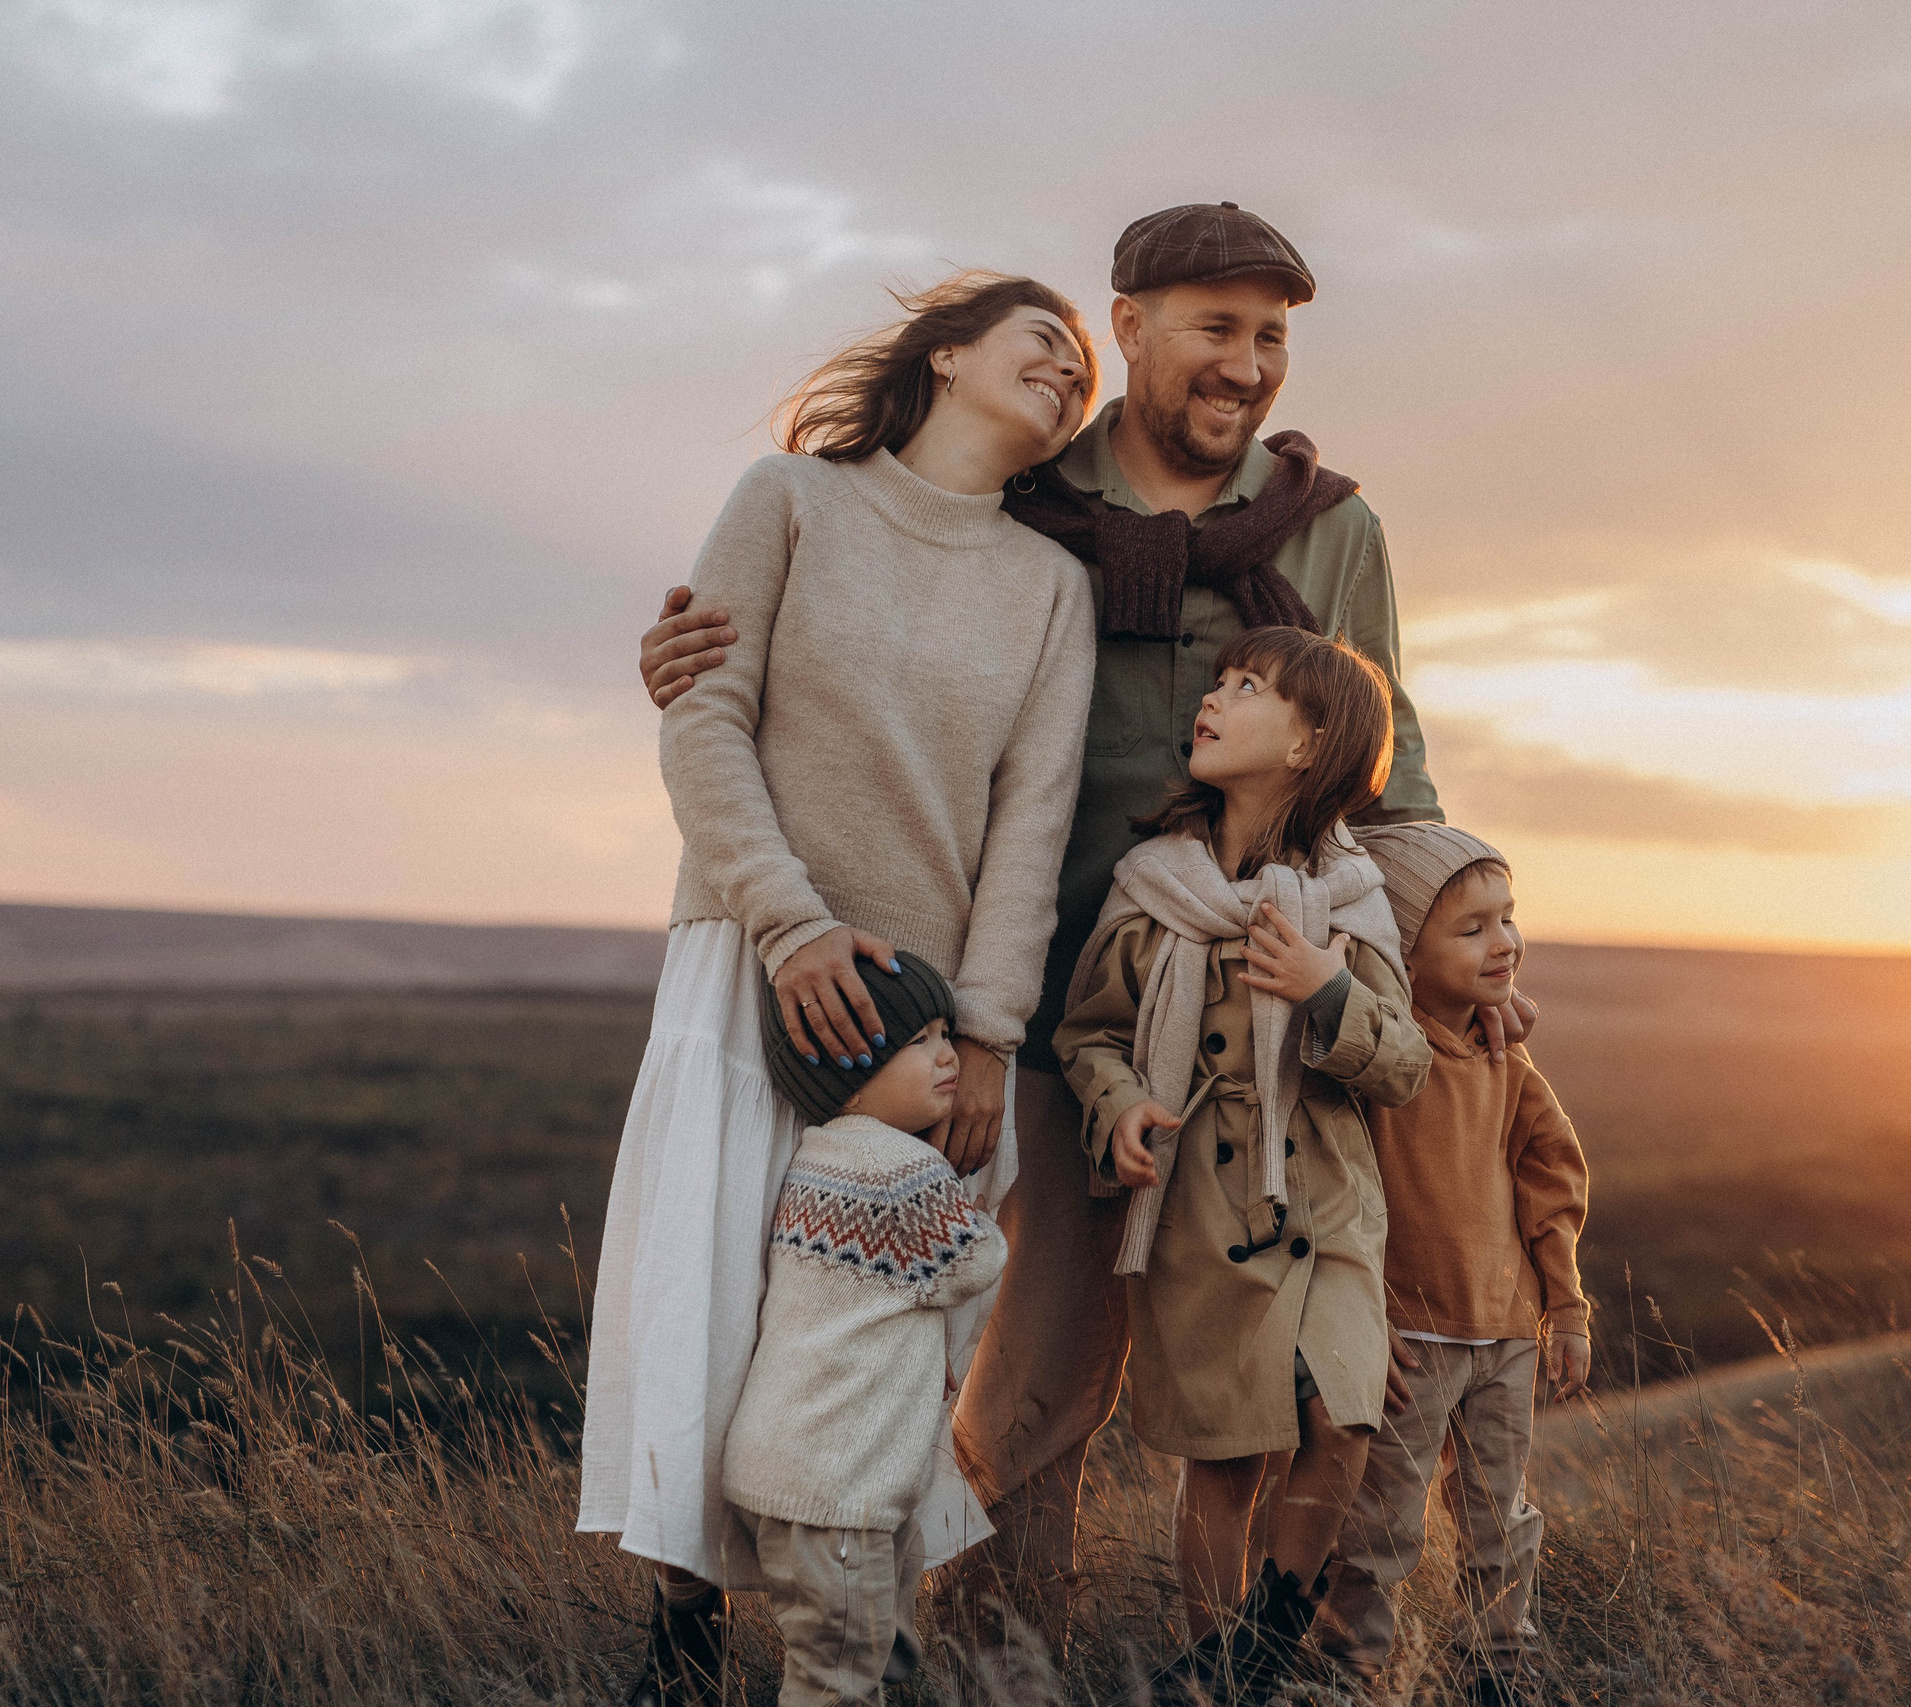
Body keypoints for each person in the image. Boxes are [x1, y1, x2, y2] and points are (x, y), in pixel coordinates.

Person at [636, 202, 1534, 1640]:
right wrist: (685, 651)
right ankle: (997, 1645)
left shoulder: (1336, 531)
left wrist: (1471, 941)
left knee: (1322, 1378)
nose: (1244, 363)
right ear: (1130, 328)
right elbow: (885, 579)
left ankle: (1298, 1656)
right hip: (1045, 1002)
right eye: (1214, 327)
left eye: (1271, 335)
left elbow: (1391, 776)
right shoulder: (1026, 481)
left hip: (1271, 1020)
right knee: (1033, 1369)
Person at [581, 270, 1099, 1706]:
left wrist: (988, 1030)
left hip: (920, 1018)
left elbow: (1031, 825)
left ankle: (868, 1631)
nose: (1069, 373)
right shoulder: (791, 499)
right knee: (718, 1290)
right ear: (943, 357)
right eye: (1043, 343)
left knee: (878, 1324)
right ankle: (680, 1635)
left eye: (1084, 371)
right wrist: (793, 926)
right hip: (752, 954)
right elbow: (705, 716)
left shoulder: (1052, 588)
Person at [1053, 626, 1431, 1703]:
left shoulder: (1351, 902)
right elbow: (1087, 1035)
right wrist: (1119, 1105)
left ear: (1312, 741)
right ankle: (1216, 1673)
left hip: (1330, 1204)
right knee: (1224, 1455)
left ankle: (1258, 1658)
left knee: (1342, 1422)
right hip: (1199, 1210)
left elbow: (1404, 1065)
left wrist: (1327, 987)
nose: (1213, 699)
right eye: (1216, 683)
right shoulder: (1152, 889)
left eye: (1247, 687)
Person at [1309, 824, 1590, 1706]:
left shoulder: (1509, 1061)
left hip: (1504, 1337)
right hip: (1410, 1340)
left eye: (1507, 918)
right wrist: (1357, 1317)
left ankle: (1500, 1668)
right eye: (1472, 927)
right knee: (1379, 1526)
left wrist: (1567, 1308)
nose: (1503, 942)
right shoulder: (1380, 1065)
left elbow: (1555, 1179)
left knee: (1500, 1519)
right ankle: (1347, 1675)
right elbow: (1335, 1189)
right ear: (1400, 947)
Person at [720, 953, 1006, 1707]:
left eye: (946, 1032)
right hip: (838, 1492)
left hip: (794, 1473)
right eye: (919, 1041)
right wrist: (973, 1205)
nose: (948, 1053)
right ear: (849, 1069)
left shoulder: (814, 1158)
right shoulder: (904, 1171)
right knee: (837, 1677)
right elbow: (972, 1262)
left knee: (856, 1653)